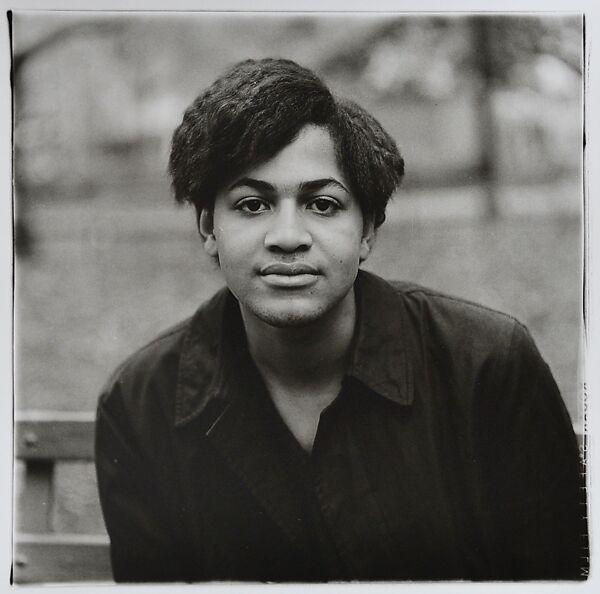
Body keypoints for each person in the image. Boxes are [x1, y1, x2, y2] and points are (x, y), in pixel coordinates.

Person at [95, 58, 587, 582]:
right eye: (253, 204)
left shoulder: (488, 365)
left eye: (323, 204)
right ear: (208, 228)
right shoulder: (141, 400)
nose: (288, 236)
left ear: (368, 230)